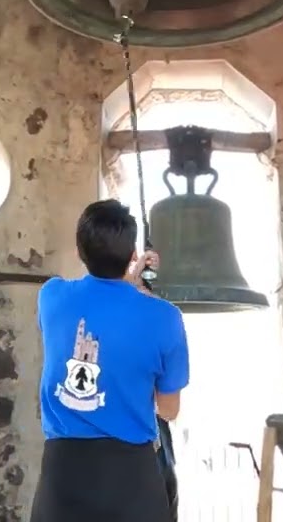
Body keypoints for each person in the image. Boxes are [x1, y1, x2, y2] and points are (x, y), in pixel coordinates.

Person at [31, 199, 190, 522]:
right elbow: (168, 410)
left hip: (63, 477)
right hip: (131, 478)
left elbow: (99, 299)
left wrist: (128, 279)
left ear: (79, 251)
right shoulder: (165, 317)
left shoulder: (51, 296)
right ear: (132, 255)